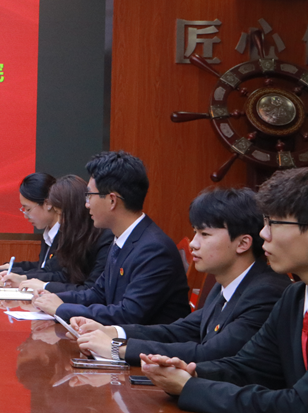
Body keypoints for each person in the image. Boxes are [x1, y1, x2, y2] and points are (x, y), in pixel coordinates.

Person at [141, 167, 308, 413]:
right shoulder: (294, 297)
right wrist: (192, 373)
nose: (263, 233)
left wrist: (190, 386)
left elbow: (297, 404)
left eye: (274, 223)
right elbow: (249, 366)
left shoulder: (271, 289)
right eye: (264, 222)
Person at [73, 187, 289, 365]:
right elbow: (181, 330)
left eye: (204, 234)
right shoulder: (225, 284)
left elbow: (210, 354)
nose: (194, 243)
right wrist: (111, 331)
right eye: (195, 232)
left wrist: (116, 349)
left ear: (243, 243)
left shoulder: (265, 292)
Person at [32, 151, 190, 325]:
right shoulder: (123, 239)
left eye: (89, 196)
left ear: (112, 200)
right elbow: (98, 293)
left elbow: (128, 314)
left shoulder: (154, 249)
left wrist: (61, 309)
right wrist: (54, 298)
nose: (86, 204)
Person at [1, 174, 114, 293]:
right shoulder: (75, 235)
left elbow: (91, 291)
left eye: (61, 215)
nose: (60, 222)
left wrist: (44, 287)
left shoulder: (104, 238)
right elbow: (63, 274)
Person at [0, 173, 59, 283]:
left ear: (48, 203)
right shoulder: (48, 233)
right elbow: (42, 267)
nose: (26, 215)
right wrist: (10, 268)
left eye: (28, 209)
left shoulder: (68, 236)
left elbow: (56, 276)